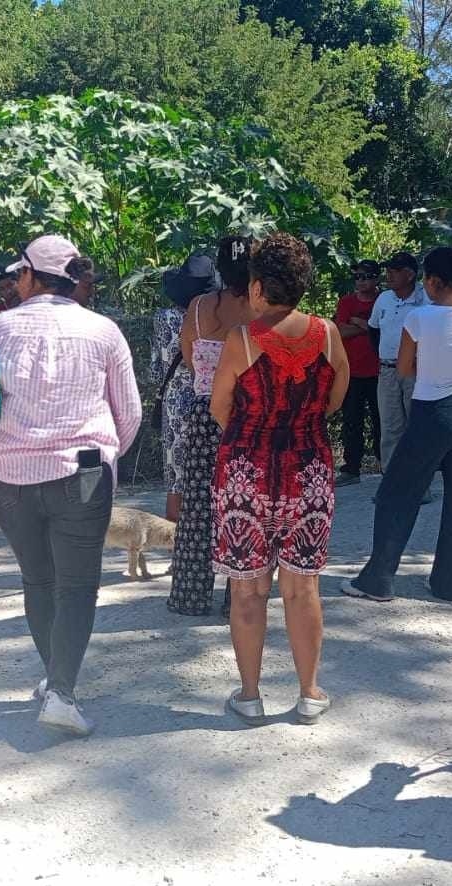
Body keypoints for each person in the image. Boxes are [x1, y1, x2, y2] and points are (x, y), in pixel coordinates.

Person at [0, 234, 141, 737]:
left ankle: (55, 678)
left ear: (29, 276)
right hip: (84, 472)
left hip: (9, 476)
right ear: (73, 278)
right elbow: (130, 414)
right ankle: (60, 690)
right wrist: (108, 455)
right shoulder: (103, 331)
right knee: (77, 586)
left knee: (38, 579)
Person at [211, 233, 347, 725]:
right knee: (302, 586)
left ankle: (249, 695)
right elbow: (335, 400)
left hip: (246, 472)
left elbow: (220, 407)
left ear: (257, 286)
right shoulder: (328, 333)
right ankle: (309, 693)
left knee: (248, 589)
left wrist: (257, 434)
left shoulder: (241, 340)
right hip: (308, 469)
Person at [343, 248, 452, 603]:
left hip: (430, 407)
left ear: (434, 281)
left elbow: (405, 368)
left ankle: (377, 579)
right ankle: (450, 583)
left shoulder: (419, 319)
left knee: (395, 494)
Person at [169, 235, 253, 617]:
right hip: (247, 415)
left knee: (198, 508)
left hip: (203, 412)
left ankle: (190, 595)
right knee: (242, 506)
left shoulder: (199, 306)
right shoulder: (259, 309)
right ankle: (237, 598)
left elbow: (189, 358)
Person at [154, 252, 217, 522]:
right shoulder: (214, 318)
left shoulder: (163, 318)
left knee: (176, 476)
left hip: (174, 400)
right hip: (209, 398)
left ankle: (174, 549)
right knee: (211, 472)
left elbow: (156, 369)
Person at [368, 251, 429, 474]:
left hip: (417, 370)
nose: (389, 275)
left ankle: (419, 485)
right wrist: (384, 356)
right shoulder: (383, 299)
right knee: (390, 427)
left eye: (395, 271)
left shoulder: (426, 300)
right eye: (388, 270)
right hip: (387, 370)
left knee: (418, 427)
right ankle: (392, 482)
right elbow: (373, 330)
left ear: (410, 275)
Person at [334, 260, 382, 486]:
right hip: (352, 371)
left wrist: (361, 323)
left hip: (379, 370)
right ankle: (351, 468)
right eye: (358, 276)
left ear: (376, 279)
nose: (361, 281)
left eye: (366, 276)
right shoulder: (346, 302)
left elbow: (384, 330)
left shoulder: (384, 301)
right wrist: (368, 327)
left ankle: (386, 464)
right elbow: (340, 331)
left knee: (381, 420)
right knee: (352, 421)